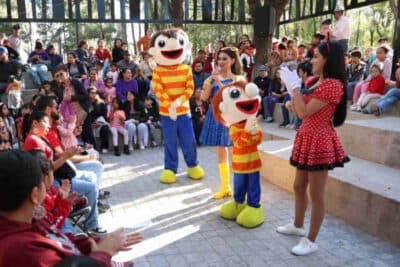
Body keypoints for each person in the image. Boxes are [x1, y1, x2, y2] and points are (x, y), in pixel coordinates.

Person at [0, 150, 143, 267]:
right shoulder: (20, 250)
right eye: (41, 181)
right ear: (35, 195)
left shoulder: (31, 219)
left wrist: (91, 243)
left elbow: (60, 239)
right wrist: (104, 252)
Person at [277, 41, 350, 256]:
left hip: (320, 140)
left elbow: (303, 112)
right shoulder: (312, 80)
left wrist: (294, 90)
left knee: (316, 193)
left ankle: (311, 239)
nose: (312, 60)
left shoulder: (332, 85)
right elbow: (299, 107)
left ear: (329, 59)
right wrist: (294, 96)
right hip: (306, 137)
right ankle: (298, 225)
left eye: (316, 56)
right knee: (299, 186)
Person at [200, 46, 245, 199]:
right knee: (221, 153)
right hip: (215, 116)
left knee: (235, 154)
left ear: (233, 60)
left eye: (225, 58)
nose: (221, 61)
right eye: (219, 59)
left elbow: (232, 96)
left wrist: (218, 81)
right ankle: (225, 187)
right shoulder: (212, 78)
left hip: (232, 118)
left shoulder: (238, 79)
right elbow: (204, 98)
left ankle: (239, 188)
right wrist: (209, 84)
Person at [88, 87, 110, 153]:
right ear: (88, 94)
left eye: (95, 93)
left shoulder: (101, 103)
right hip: (89, 123)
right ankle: (91, 148)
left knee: (105, 128)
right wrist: (91, 123)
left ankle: (104, 147)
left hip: (100, 122)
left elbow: (104, 116)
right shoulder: (85, 104)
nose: (94, 94)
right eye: (92, 93)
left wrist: (98, 123)